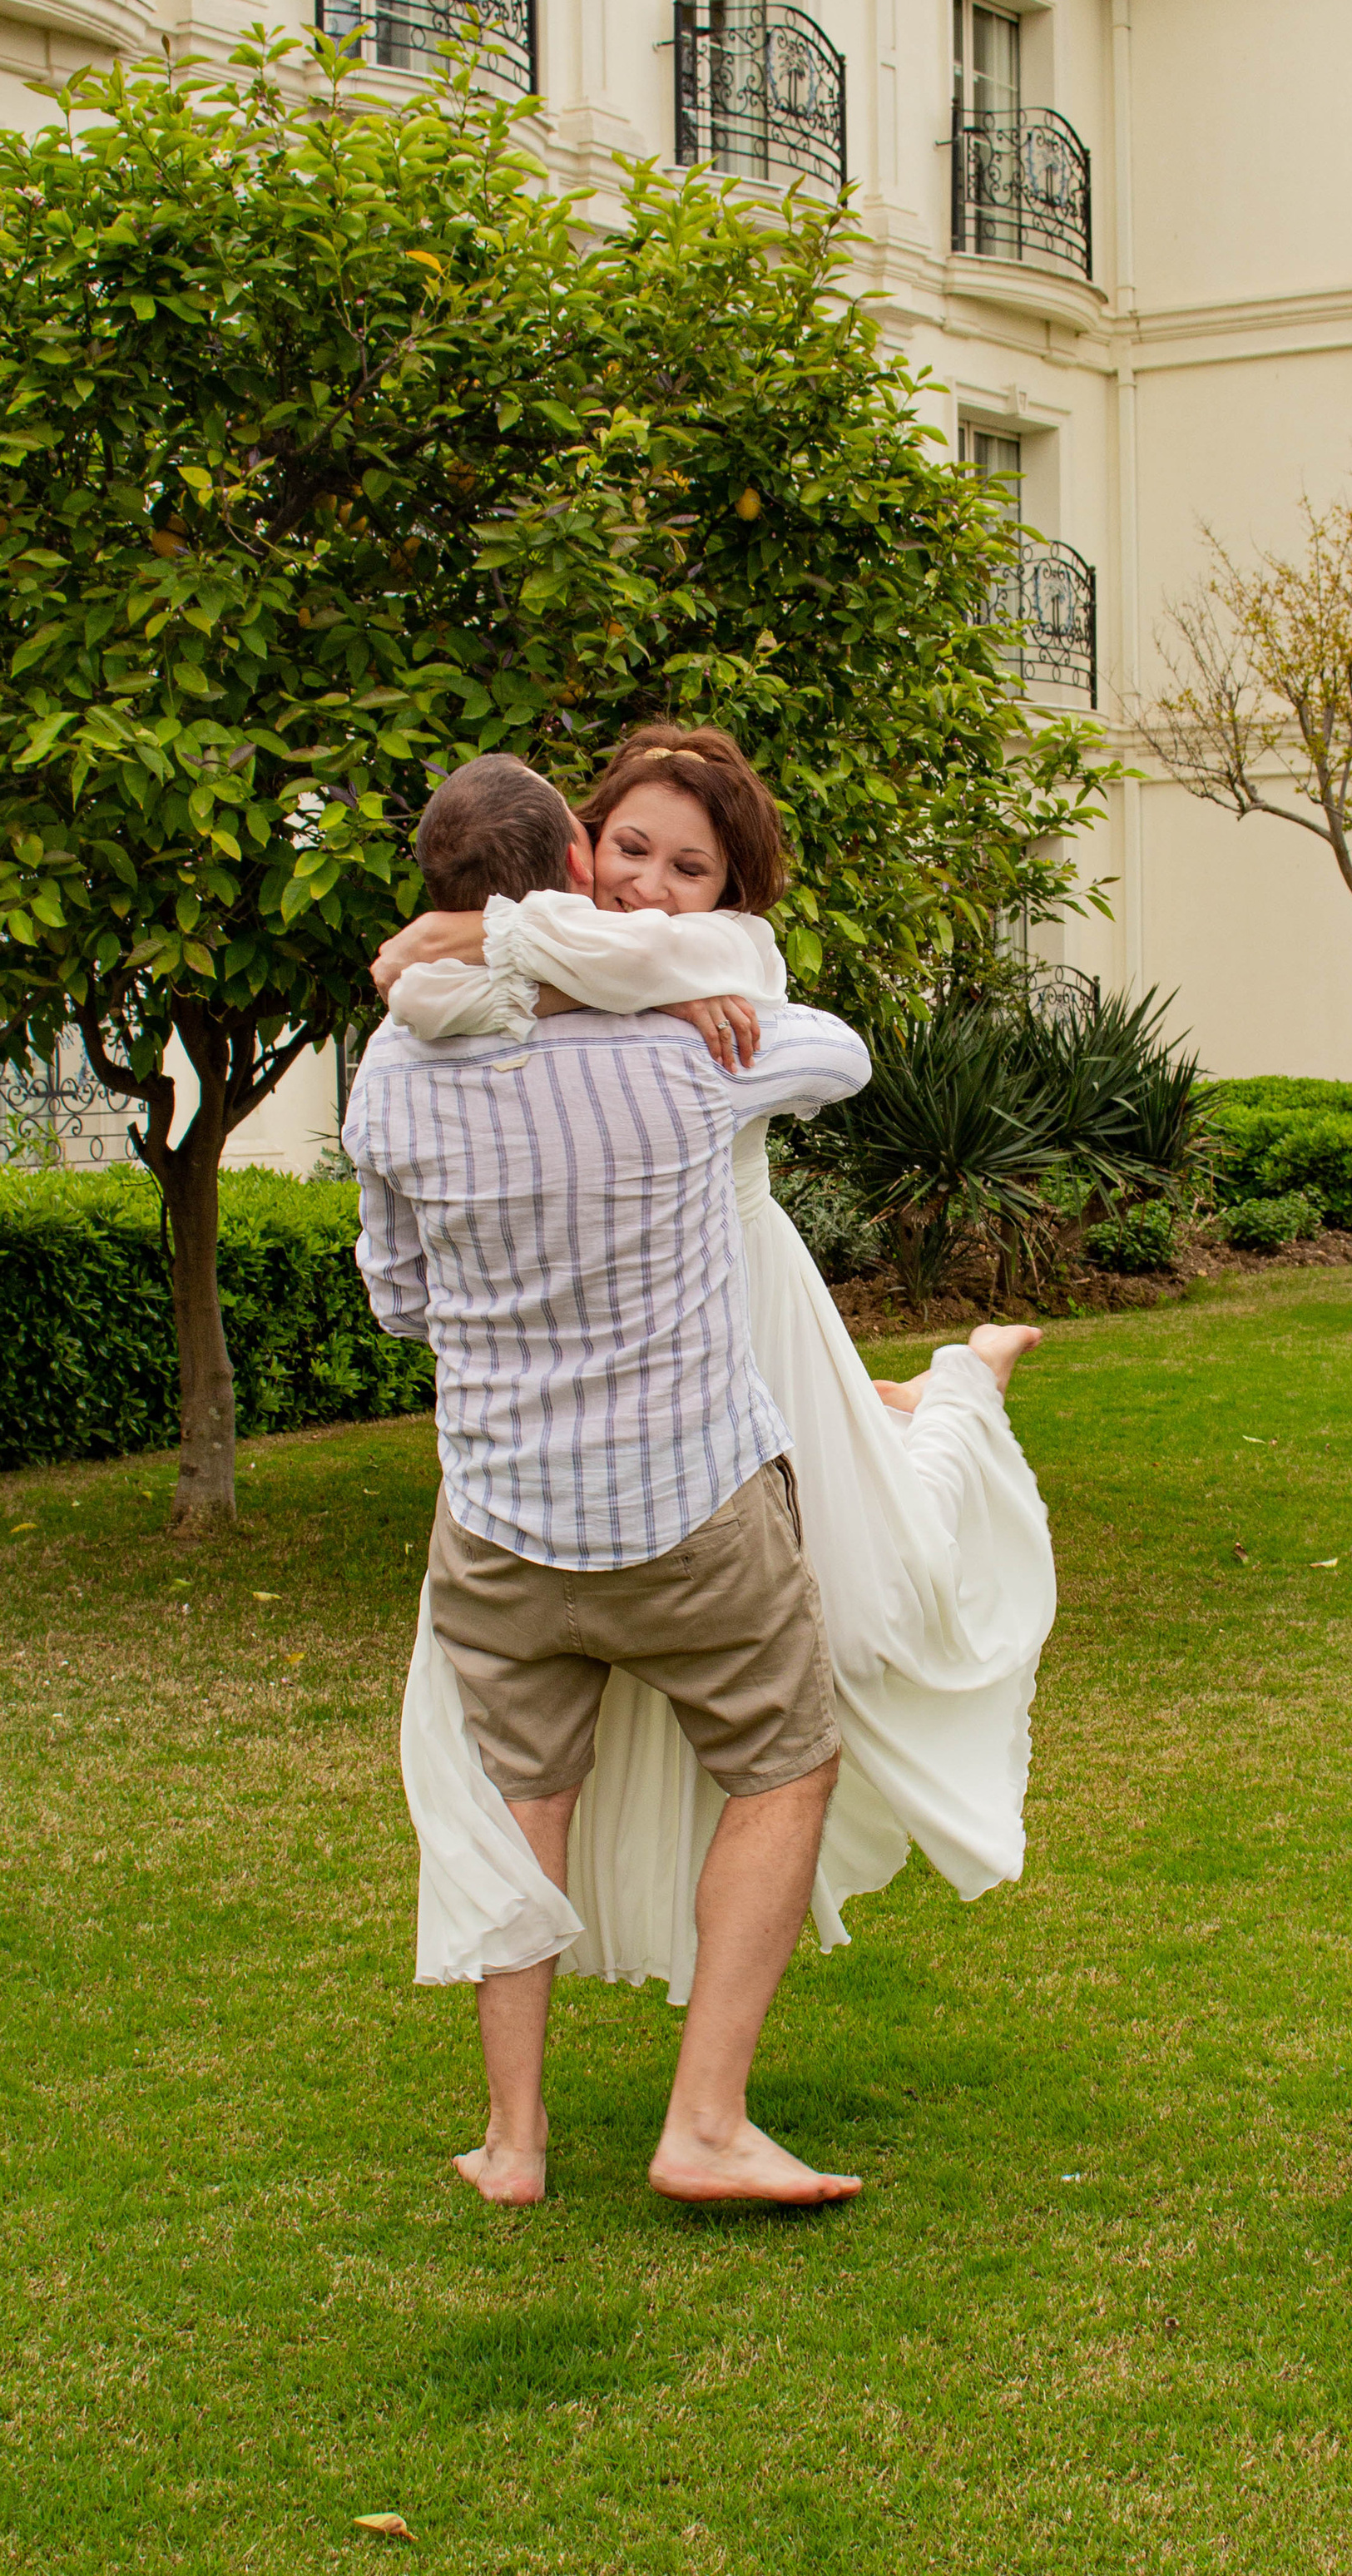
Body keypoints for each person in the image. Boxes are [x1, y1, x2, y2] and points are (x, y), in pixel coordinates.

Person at [370, 723, 1056, 2033]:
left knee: (875, 1612)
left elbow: (826, 1053)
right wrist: (592, 972)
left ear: (729, 892)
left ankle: (958, 1391)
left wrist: (513, 943)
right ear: (583, 846)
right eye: (631, 849)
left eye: (690, 869)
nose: (650, 887)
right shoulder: (606, 978)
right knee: (607, 1688)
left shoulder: (723, 972)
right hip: (622, 1350)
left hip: (743, 1309)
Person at [344, 751, 874, 2209]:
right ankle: (702, 2123)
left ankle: (514, 2144)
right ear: (579, 870)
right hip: (688, 1508)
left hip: (503, 1523)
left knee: (522, 1799)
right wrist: (651, 978)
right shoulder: (689, 1053)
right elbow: (841, 1054)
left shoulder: (386, 1074)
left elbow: (397, 1303)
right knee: (784, 1766)